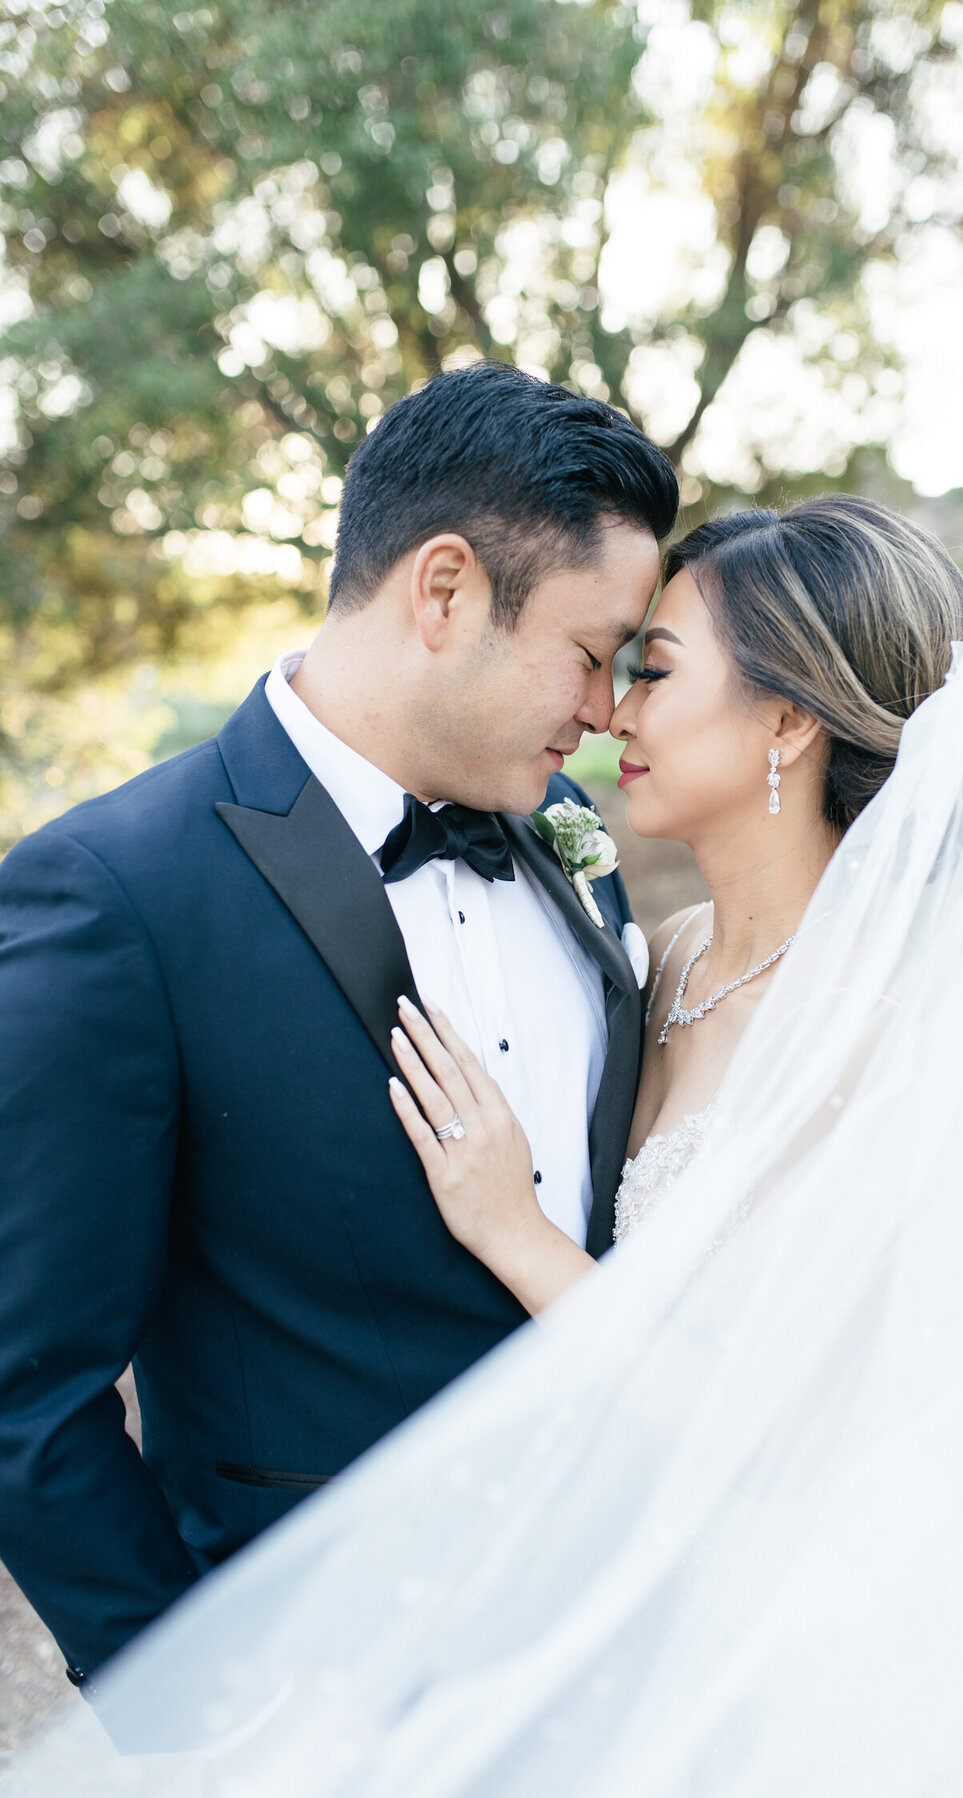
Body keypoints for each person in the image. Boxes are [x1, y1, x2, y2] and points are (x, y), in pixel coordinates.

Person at [7, 497, 963, 1798]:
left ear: (789, 720)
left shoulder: (901, 1030)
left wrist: (518, 1234)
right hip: (593, 1631)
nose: (614, 711)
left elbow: (799, 1431)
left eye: (657, 668)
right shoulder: (654, 954)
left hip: (809, 1643)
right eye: (611, 662)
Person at [0, 361, 677, 1695]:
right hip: (322, 1709)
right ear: (444, 590)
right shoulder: (115, 894)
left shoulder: (575, 860)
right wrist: (194, 1718)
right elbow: (28, 1393)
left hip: (619, 1674)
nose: (606, 710)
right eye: (591, 653)